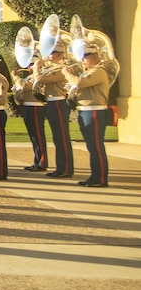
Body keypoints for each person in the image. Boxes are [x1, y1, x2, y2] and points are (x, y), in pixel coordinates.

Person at [64, 43, 116, 187]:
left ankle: (100, 178)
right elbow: (80, 86)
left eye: (85, 56)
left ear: (94, 56)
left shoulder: (98, 71)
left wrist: (67, 74)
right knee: (92, 147)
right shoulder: (89, 71)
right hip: (85, 111)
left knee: (96, 147)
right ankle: (94, 176)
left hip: (94, 111)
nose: (82, 60)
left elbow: (79, 82)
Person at [32, 42, 74, 178]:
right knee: (57, 137)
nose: (48, 56)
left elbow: (39, 79)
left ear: (60, 54)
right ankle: (60, 167)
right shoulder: (51, 68)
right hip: (51, 103)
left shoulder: (62, 69)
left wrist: (36, 67)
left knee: (62, 137)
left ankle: (66, 168)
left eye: (52, 53)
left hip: (59, 102)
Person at [11, 60, 48, 172]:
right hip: (28, 106)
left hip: (35, 107)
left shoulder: (38, 76)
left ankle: (41, 162)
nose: (29, 67)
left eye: (32, 64)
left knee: (37, 136)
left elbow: (24, 86)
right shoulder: (30, 77)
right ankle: (37, 161)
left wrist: (16, 77)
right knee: (34, 136)